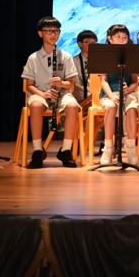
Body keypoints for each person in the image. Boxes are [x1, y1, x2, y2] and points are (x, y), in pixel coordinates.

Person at [21, 16, 81, 169]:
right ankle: (38, 151)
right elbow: (29, 85)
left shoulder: (66, 56)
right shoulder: (33, 58)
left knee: (73, 106)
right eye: (49, 31)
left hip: (61, 94)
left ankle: (66, 150)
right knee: (35, 105)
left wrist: (60, 83)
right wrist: (43, 94)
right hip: (40, 93)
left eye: (56, 31)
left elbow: (71, 85)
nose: (53, 34)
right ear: (40, 33)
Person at [98, 24, 139, 165]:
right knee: (111, 107)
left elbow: (135, 82)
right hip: (109, 93)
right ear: (110, 39)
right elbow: (103, 81)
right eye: (118, 37)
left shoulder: (132, 57)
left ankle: (131, 148)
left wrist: (128, 89)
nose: (121, 40)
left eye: (124, 37)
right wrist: (112, 96)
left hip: (128, 92)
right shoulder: (105, 56)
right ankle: (108, 148)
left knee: (131, 109)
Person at [73, 29, 98, 111]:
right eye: (87, 42)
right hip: (80, 99)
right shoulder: (73, 61)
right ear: (79, 44)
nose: (90, 45)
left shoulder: (100, 60)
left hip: (97, 97)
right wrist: (87, 98)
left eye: (93, 43)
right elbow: (75, 85)